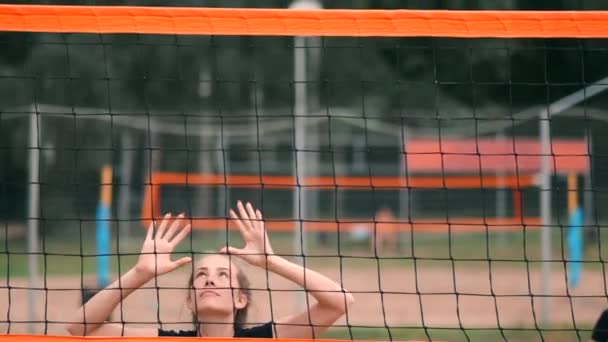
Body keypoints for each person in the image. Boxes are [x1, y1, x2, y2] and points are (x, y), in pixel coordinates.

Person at [65, 201, 355, 338]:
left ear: (240, 299)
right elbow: (78, 329)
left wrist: (271, 261)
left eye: (223, 275)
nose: (210, 280)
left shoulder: (266, 337)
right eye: (200, 275)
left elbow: (339, 302)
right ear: (191, 298)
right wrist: (140, 273)